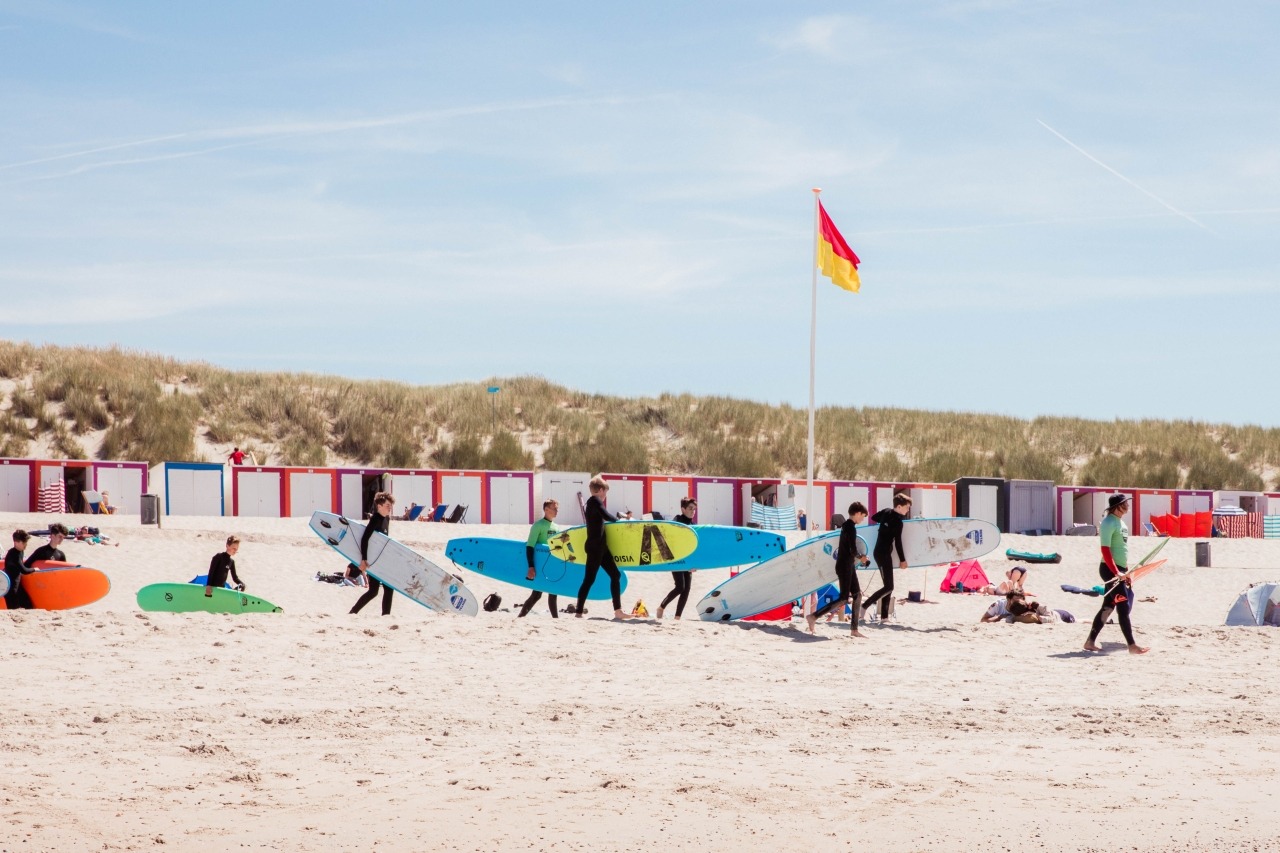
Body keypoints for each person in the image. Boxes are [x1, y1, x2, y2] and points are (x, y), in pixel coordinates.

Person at [1083, 494, 1148, 654]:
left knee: (1108, 606)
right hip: (1109, 570)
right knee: (1123, 606)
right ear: (1118, 506)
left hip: (1121, 571)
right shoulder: (1108, 523)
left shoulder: (1122, 524)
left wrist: (1125, 572)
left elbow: (1121, 550)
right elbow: (1105, 549)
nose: (1128, 505)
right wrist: (1116, 572)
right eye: (1125, 503)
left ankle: (1089, 642)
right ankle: (1132, 645)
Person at [806, 502, 870, 637]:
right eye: (863, 516)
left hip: (848, 565)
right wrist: (862, 558)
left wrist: (860, 558)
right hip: (844, 566)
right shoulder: (850, 527)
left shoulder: (847, 525)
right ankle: (813, 616)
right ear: (857, 513)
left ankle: (854, 629)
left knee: (857, 595)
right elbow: (853, 550)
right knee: (843, 598)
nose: (862, 519)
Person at [574, 476, 630, 620]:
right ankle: (578, 612)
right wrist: (620, 520)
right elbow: (606, 515)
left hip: (600, 547)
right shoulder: (595, 501)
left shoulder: (589, 503)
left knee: (615, 575)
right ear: (600, 490)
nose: (605, 496)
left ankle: (618, 611)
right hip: (595, 547)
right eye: (605, 492)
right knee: (589, 580)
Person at [861, 494, 911, 622]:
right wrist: (903, 560)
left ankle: (884, 617)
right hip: (882, 554)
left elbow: (873, 517)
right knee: (889, 587)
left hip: (881, 553)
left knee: (887, 585)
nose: (908, 510)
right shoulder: (899, 522)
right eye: (907, 507)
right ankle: (864, 606)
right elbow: (898, 542)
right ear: (899, 507)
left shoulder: (886, 512)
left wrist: (884, 524)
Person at [350, 492, 396, 616]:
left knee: (378, 590)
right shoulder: (375, 519)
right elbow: (364, 539)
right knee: (376, 590)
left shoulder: (386, 519)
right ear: (379, 506)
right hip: (372, 561)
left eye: (390, 505)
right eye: (387, 505)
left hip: (381, 560)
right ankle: (354, 612)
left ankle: (355, 612)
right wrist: (364, 559)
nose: (389, 507)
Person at [517, 499, 561, 618]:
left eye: (557, 508)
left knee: (553, 593)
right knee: (536, 594)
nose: (557, 511)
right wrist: (531, 566)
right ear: (546, 509)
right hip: (539, 565)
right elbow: (530, 546)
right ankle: (521, 616)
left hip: (552, 564)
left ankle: (555, 619)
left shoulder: (557, 527)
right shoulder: (538, 525)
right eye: (554, 508)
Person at [657, 497, 697, 619]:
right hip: (676, 558)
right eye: (690, 508)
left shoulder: (694, 525)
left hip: (688, 559)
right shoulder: (677, 520)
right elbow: (669, 534)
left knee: (687, 589)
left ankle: (677, 617)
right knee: (680, 586)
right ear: (683, 509)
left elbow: (695, 545)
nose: (693, 511)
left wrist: (694, 563)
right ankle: (661, 607)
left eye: (694, 509)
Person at [4, 530, 34, 610]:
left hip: (18, 586)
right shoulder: (13, 554)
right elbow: (24, 570)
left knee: (29, 605)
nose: (26, 545)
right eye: (24, 543)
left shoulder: (20, 551)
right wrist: (34, 569)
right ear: (16, 542)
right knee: (14, 609)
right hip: (10, 589)